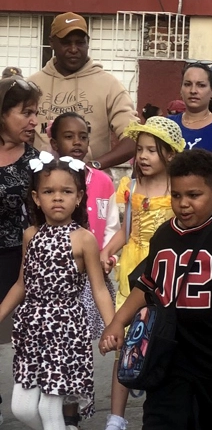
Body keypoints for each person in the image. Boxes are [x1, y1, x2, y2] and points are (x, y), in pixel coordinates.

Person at [101, 149, 212, 429]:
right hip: (168, 352)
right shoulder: (163, 235)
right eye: (176, 195)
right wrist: (116, 323)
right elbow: (146, 287)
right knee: (161, 420)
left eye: (194, 195)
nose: (184, 203)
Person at [0, 154, 115, 429]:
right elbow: (22, 284)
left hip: (64, 330)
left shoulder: (84, 238)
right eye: (49, 191)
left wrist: (113, 326)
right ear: (37, 198)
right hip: (32, 329)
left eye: (66, 191)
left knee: (51, 410)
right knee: (23, 409)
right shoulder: (30, 234)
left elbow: (98, 289)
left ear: (78, 197)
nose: (58, 198)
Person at [98, 116, 184, 430]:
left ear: (171, 154)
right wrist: (107, 250)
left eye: (152, 150)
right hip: (132, 268)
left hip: (162, 267)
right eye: (141, 149)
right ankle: (116, 417)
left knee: (157, 336)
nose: (143, 156)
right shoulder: (131, 185)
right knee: (126, 342)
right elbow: (127, 229)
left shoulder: (177, 189)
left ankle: (152, 386)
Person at [48, 112, 120, 428]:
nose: (77, 143)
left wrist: (107, 254)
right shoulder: (46, 180)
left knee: (77, 348)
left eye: (83, 137)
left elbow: (111, 224)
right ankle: (55, 408)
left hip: (91, 279)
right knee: (57, 347)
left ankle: (71, 416)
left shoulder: (102, 181)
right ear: (53, 142)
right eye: (69, 136)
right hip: (56, 278)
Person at [28, 13, 138, 169]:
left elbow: (133, 137)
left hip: (93, 185)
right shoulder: (33, 85)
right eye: (66, 43)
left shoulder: (109, 85)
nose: (74, 49)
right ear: (51, 43)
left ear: (88, 43)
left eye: (80, 43)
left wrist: (94, 166)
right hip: (44, 185)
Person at [0, 78, 41, 307]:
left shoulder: (36, 164)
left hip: (14, 265)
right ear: (3, 113)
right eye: (26, 113)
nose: (34, 121)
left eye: (35, 113)